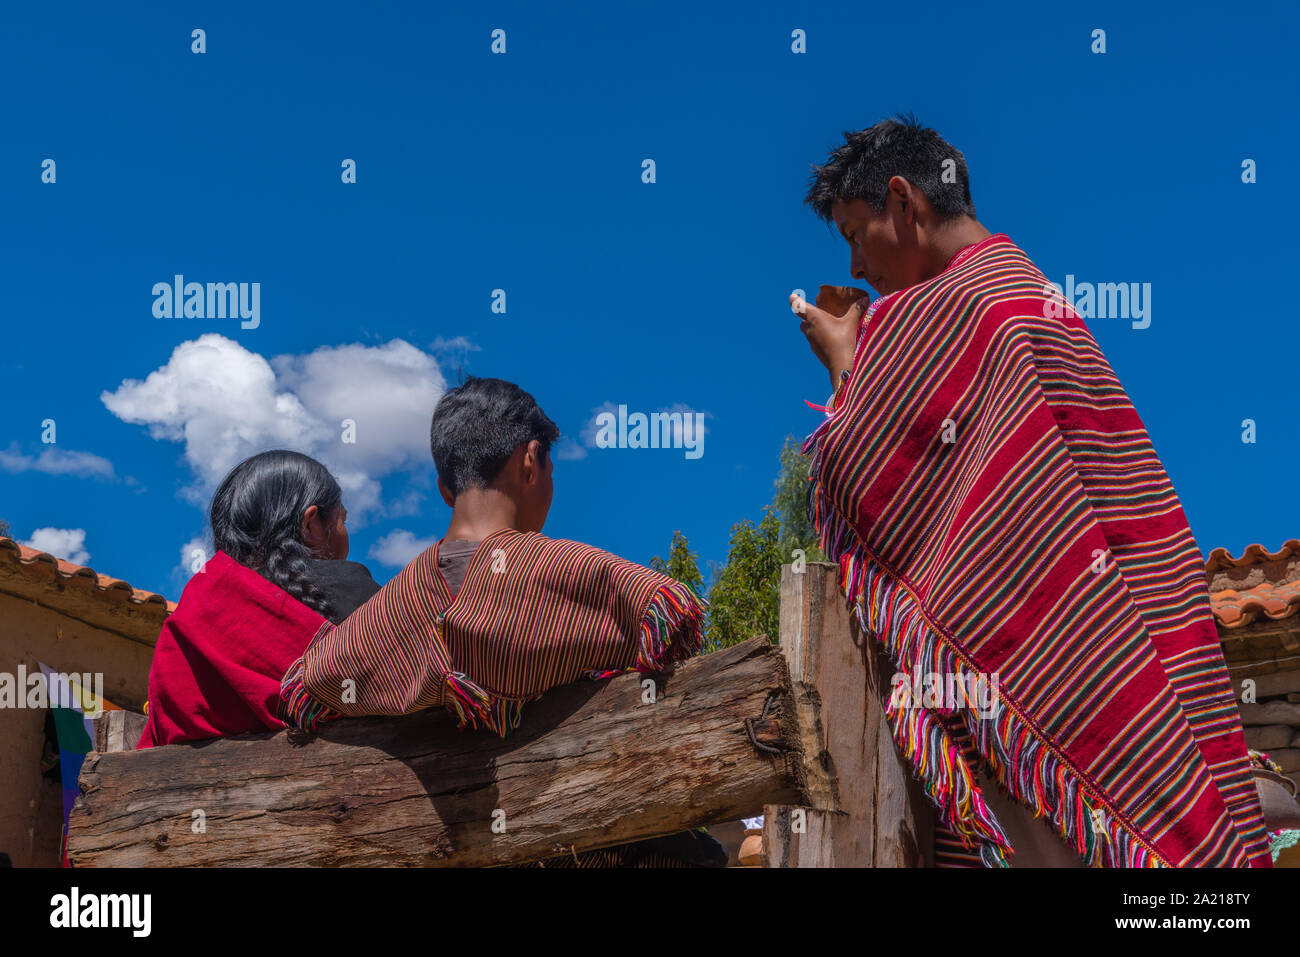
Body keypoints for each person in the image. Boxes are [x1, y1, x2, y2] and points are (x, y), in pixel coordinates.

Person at [793, 115, 1270, 868]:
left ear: (904, 201)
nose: (855, 262)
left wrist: (846, 360)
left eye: (856, 231)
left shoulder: (952, 310)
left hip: (1052, 694)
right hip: (1117, 676)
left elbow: (863, 467)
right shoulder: (1029, 294)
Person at [279, 377, 726, 867]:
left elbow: (310, 683)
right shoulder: (580, 577)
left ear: (445, 488)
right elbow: (664, 610)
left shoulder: (382, 619)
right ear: (531, 459)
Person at [137, 450, 380, 748]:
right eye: (342, 520)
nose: (345, 531)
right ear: (310, 524)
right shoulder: (356, 593)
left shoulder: (194, 608)